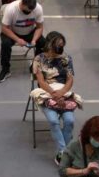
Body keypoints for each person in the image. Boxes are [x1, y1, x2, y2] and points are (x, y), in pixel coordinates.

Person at [31, 32, 81, 164]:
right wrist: (54, 93)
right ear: (49, 44)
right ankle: (65, 152)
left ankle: (61, 153)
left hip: (63, 93)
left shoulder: (66, 58)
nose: (60, 48)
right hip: (46, 92)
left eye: (61, 45)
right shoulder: (39, 59)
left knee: (69, 121)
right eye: (57, 45)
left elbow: (70, 80)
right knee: (53, 121)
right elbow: (41, 82)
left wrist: (62, 92)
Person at [0, 0, 46, 83]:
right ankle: (5, 70)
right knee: (5, 44)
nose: (28, 13)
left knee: (43, 43)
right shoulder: (11, 9)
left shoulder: (38, 8)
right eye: (26, 11)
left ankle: (35, 65)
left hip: (29, 32)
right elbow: (4, 28)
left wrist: (34, 40)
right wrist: (17, 39)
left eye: (30, 11)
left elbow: (39, 27)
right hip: (12, 32)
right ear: (21, 4)